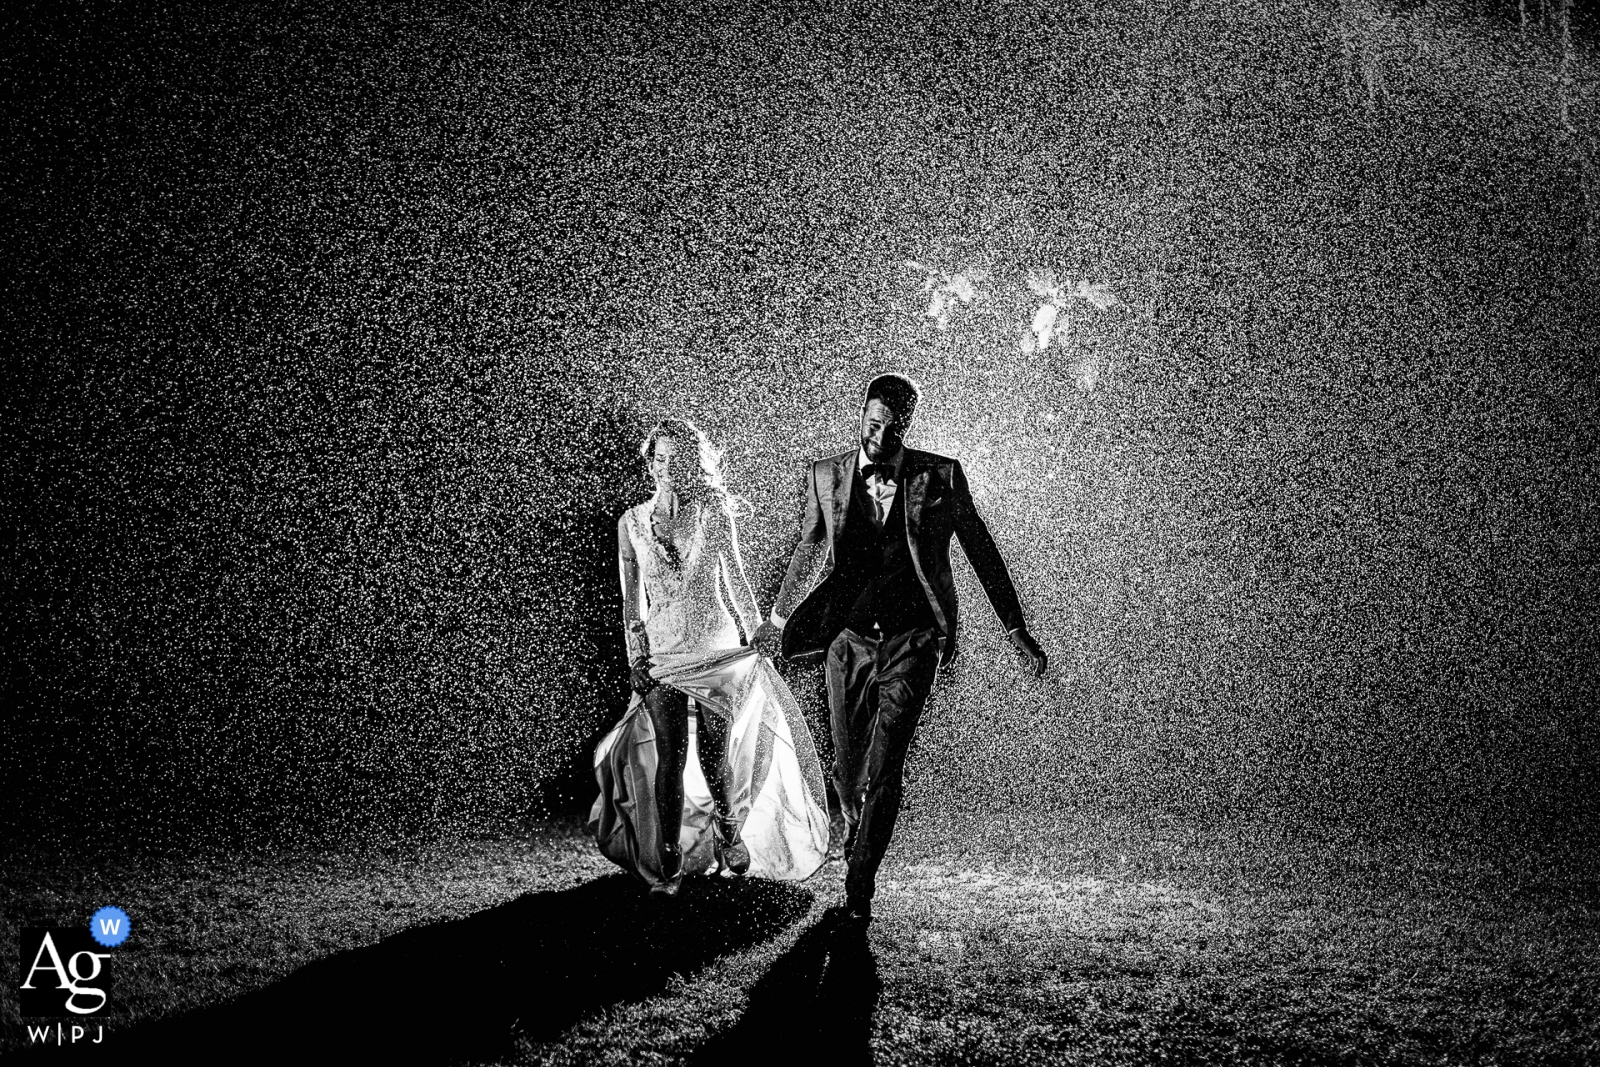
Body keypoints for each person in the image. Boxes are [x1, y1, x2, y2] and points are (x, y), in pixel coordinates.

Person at [754, 374, 1047, 922]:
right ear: (861, 415)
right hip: (847, 642)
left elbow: (981, 550)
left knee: (887, 767)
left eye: (891, 428)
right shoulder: (826, 476)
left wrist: (1015, 628)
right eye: (871, 423)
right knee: (847, 772)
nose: (878, 435)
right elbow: (809, 546)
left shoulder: (940, 476)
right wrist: (777, 617)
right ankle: (854, 824)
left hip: (914, 642)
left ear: (906, 426)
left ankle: (859, 884)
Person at [589, 418, 830, 900]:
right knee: (668, 758)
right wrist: (636, 655)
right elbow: (628, 601)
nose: (667, 468)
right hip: (663, 655)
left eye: (677, 459)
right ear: (650, 462)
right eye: (659, 459)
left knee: (717, 758)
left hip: (718, 650)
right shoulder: (631, 523)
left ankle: (728, 828)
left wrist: (760, 630)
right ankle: (667, 861)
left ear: (691, 463)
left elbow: (735, 578)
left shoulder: (713, 511)